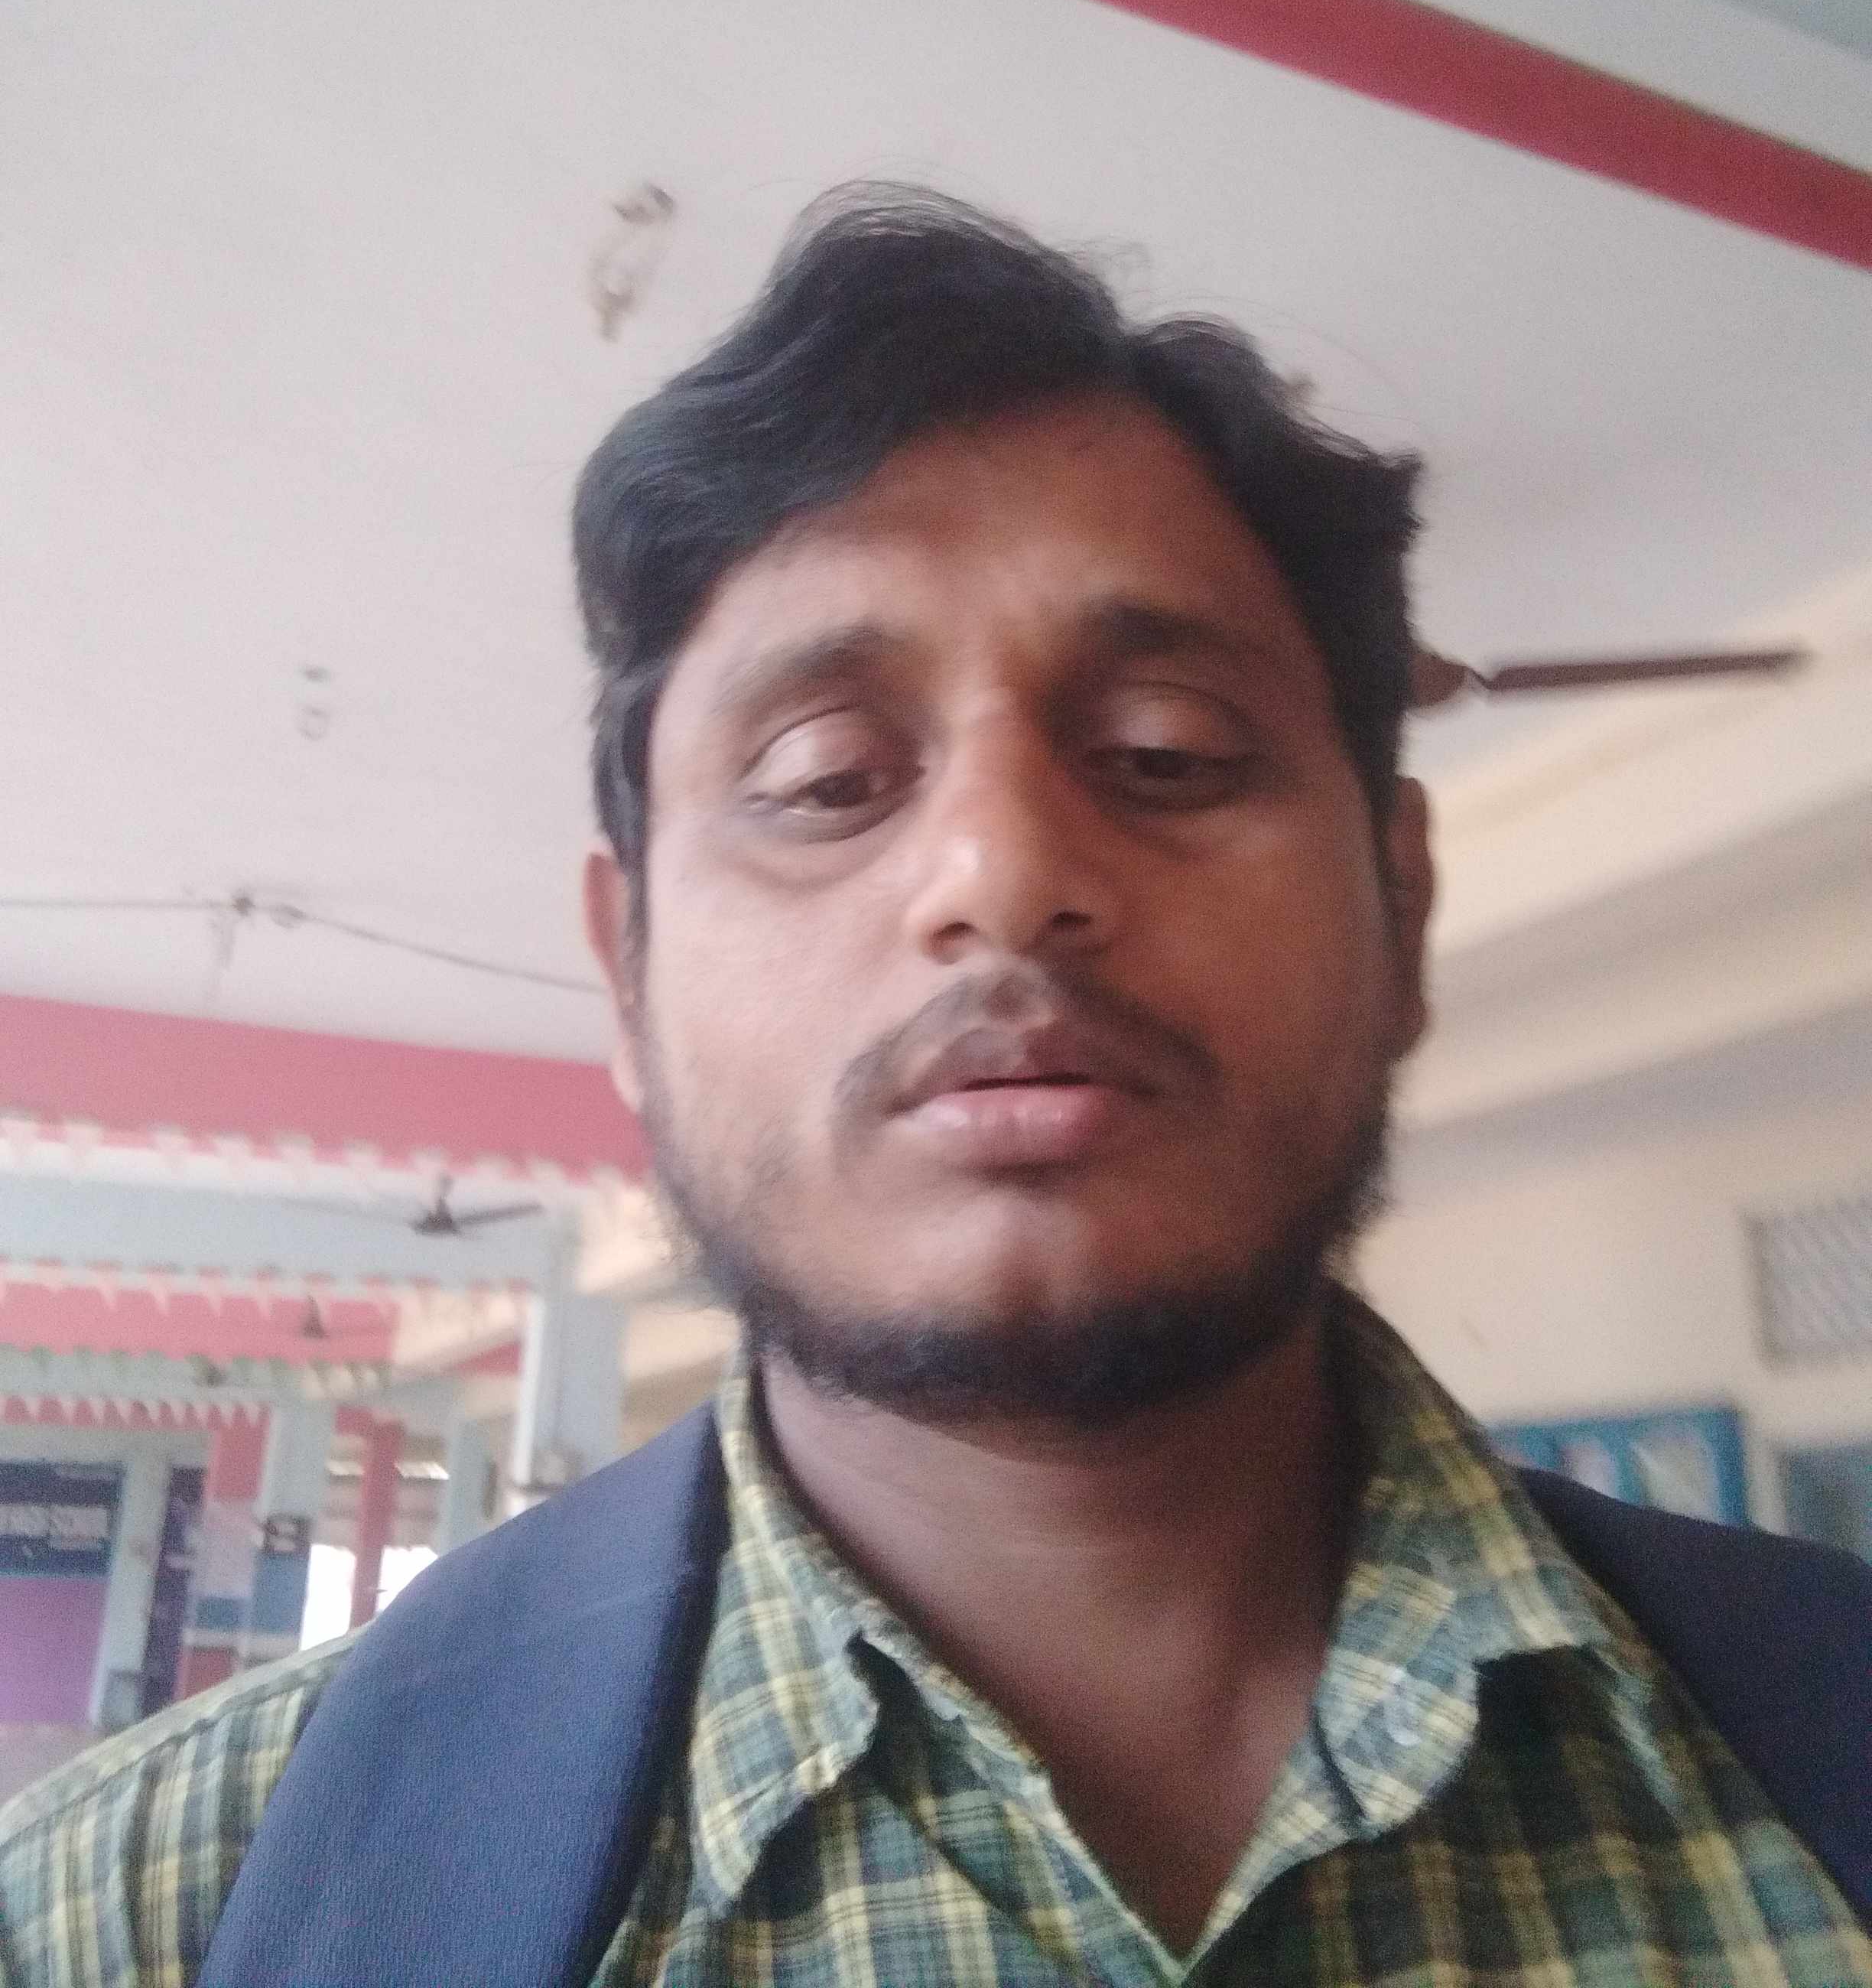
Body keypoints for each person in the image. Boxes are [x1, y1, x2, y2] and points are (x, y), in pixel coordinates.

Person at [2, 190, 1867, 1987]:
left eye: (1167, 751)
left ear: (1402, 905)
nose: (1001, 869)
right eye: (828, 780)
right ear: (628, 969)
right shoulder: (133, 1922)